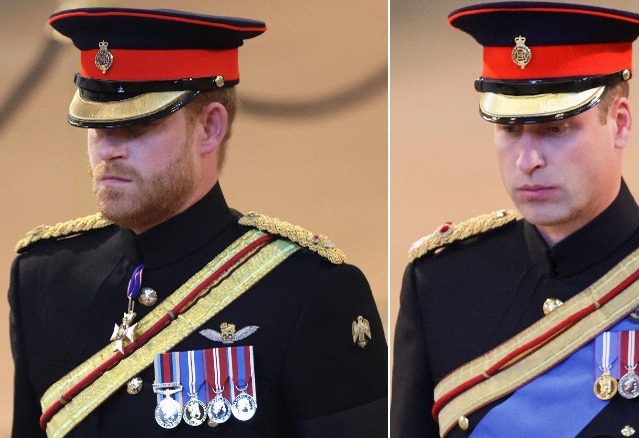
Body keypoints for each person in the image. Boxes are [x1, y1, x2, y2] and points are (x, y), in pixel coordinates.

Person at [391, 2, 639, 437]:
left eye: (556, 129)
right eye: (509, 129)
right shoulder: (439, 285)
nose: (528, 159)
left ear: (620, 123)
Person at [9, 7, 387, 437]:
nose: (108, 150)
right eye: (97, 127)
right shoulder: (41, 277)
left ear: (209, 128)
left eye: (135, 127)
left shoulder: (308, 291)